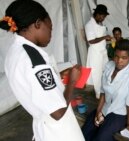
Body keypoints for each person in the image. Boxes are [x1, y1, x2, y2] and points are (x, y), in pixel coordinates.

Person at [0, 0, 85, 141]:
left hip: (43, 126)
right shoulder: (35, 61)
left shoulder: (14, 52)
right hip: (59, 132)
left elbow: (34, 85)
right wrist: (72, 81)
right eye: (50, 28)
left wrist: (56, 75)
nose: (51, 35)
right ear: (38, 24)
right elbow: (58, 112)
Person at [82, 39, 129, 141]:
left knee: (101, 138)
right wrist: (98, 111)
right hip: (104, 108)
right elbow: (103, 92)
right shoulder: (109, 65)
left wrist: (128, 123)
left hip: (119, 113)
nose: (119, 61)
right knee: (84, 132)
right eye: (117, 56)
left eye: (124, 58)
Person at [85, 4, 112, 99]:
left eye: (104, 16)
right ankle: (98, 94)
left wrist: (107, 39)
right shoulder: (89, 25)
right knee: (97, 73)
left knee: (106, 71)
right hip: (95, 53)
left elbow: (100, 38)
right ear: (97, 14)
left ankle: (105, 90)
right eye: (102, 16)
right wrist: (105, 37)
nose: (103, 18)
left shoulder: (100, 24)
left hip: (102, 51)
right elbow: (91, 40)